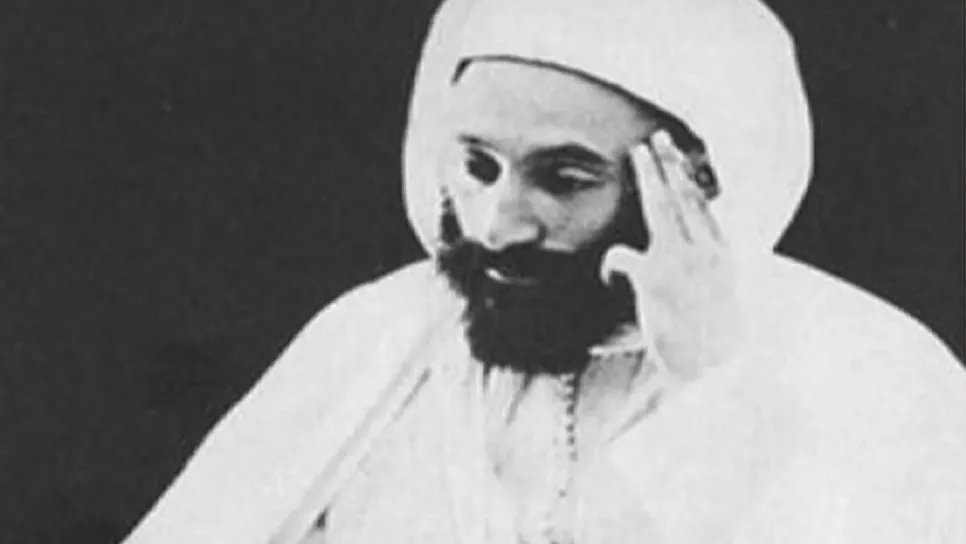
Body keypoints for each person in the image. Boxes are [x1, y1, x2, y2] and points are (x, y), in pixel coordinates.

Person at [122, 0, 966, 542]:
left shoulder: (871, 366)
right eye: (478, 166)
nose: (499, 226)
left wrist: (715, 387)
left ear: (697, 181)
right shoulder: (376, 339)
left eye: (564, 179)